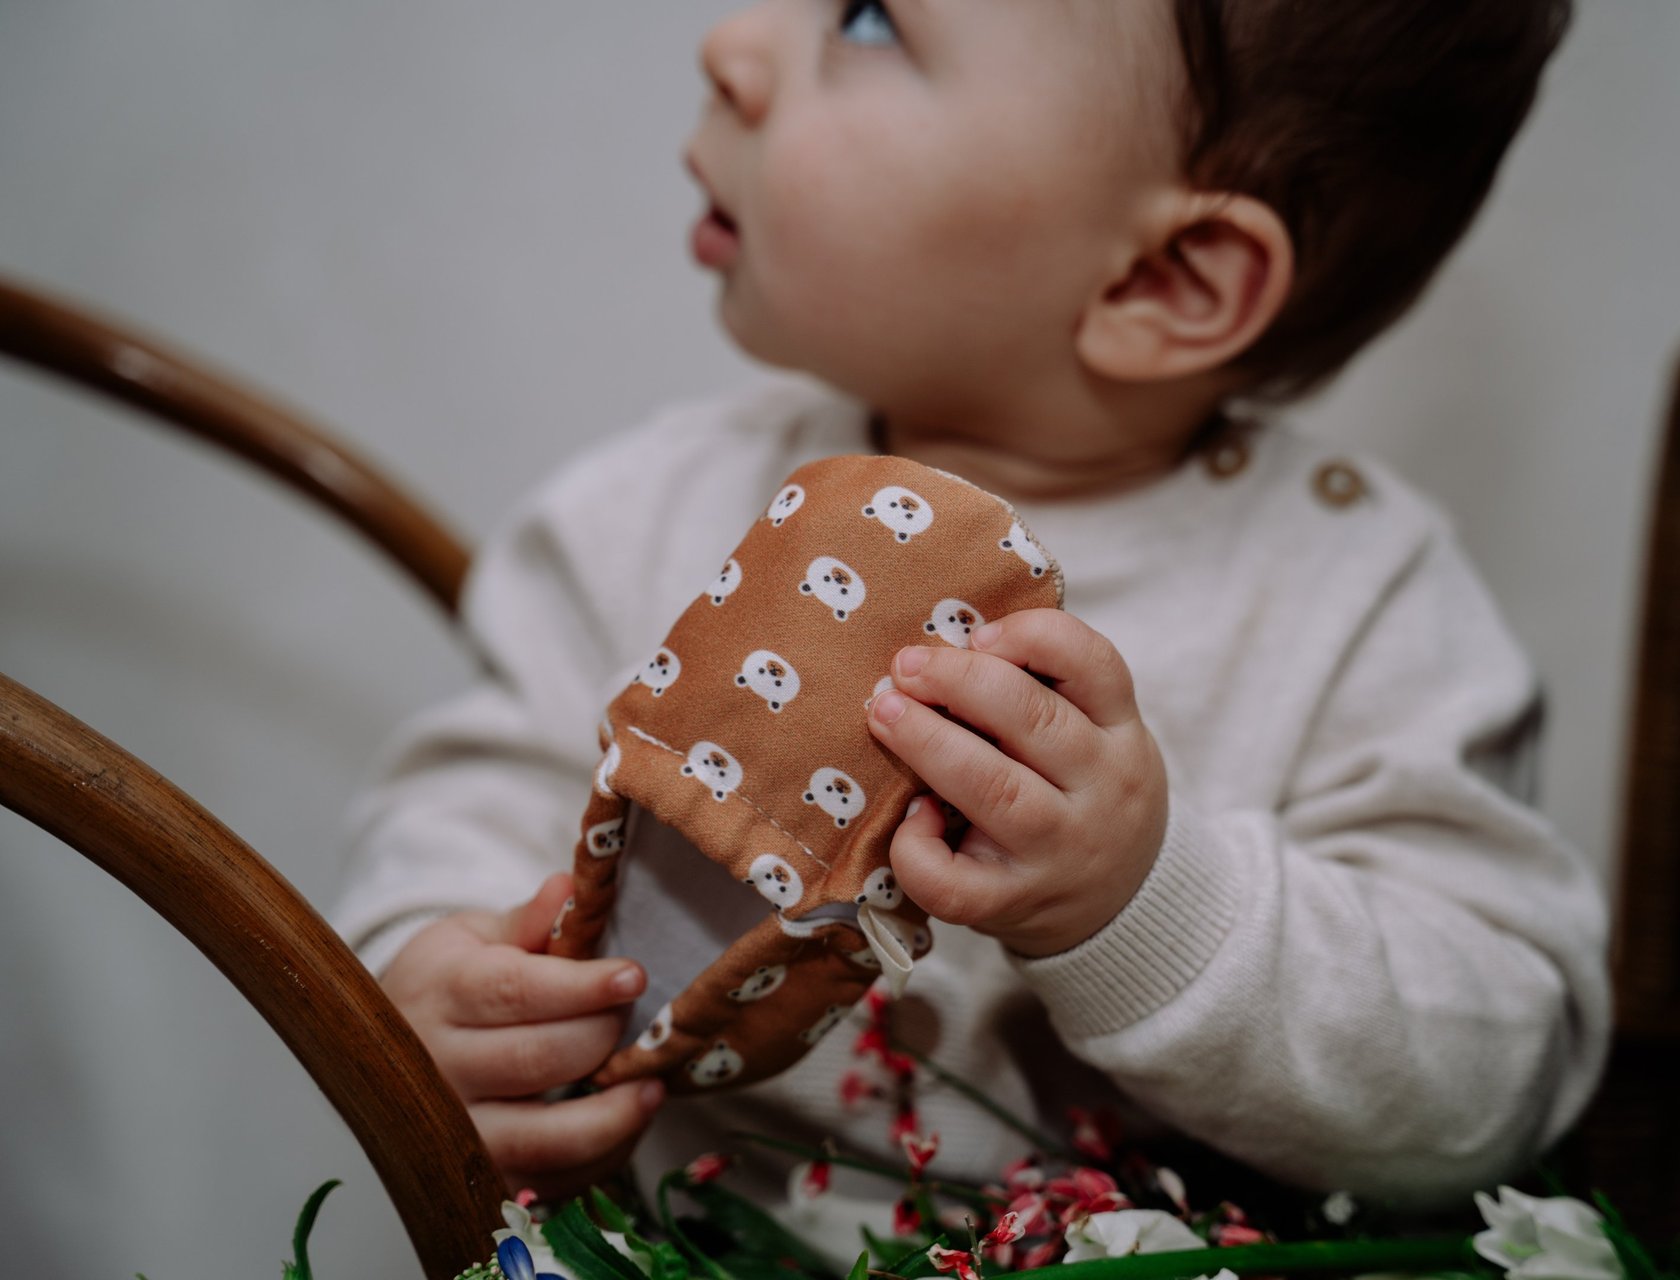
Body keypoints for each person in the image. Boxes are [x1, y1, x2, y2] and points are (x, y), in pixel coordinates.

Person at [334, 0, 1609, 1233]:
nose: (729, 44)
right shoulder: (639, 512)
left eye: (873, 17)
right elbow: (467, 805)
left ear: (1165, 276)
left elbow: (1496, 1074)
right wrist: (430, 985)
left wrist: (1147, 901)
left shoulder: (1356, 600)